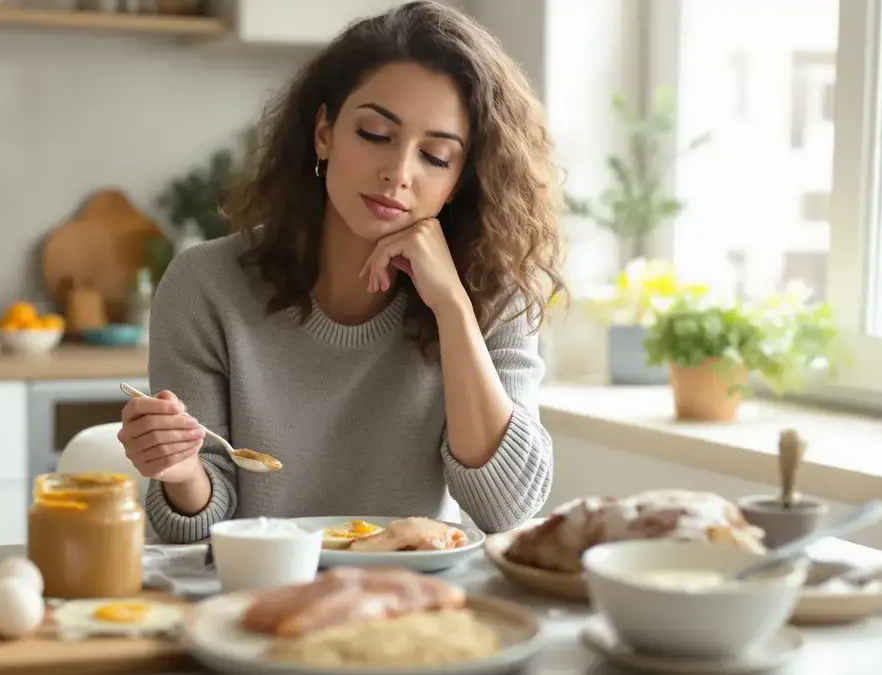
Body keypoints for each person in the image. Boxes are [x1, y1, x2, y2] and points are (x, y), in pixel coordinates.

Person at [119, 0, 565, 545]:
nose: (397, 173)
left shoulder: (494, 292)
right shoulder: (204, 287)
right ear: (324, 132)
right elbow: (198, 535)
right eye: (375, 134)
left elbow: (507, 506)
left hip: (413, 603)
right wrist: (181, 471)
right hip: (260, 597)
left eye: (436, 156)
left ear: (461, 180)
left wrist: (453, 309)